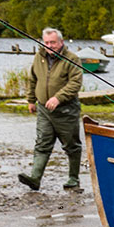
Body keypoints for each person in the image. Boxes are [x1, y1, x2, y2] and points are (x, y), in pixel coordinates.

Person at [18, 27, 83, 191]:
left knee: (71, 145)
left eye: (53, 42)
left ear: (61, 42)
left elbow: (75, 84)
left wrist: (58, 98)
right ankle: (35, 178)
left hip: (67, 110)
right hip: (44, 110)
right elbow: (32, 79)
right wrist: (31, 100)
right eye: (46, 42)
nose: (49, 46)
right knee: (42, 143)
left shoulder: (72, 59)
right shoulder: (38, 57)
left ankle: (73, 179)